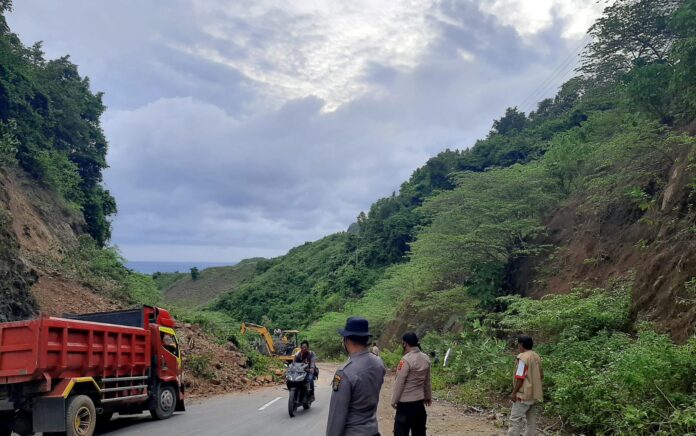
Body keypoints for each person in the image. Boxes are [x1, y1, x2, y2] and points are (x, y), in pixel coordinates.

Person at [327, 317, 386, 436]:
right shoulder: (378, 363)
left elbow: (337, 416)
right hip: (373, 431)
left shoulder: (344, 372)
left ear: (347, 340)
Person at [391, 332, 432, 436]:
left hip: (405, 405)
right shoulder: (425, 358)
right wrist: (428, 396)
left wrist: (394, 401)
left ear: (405, 343)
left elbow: (399, 383)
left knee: (400, 432)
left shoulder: (405, 360)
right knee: (419, 432)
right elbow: (427, 380)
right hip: (419, 404)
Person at [508, 335, 544, 436]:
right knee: (531, 422)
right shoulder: (536, 356)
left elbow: (520, 377)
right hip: (534, 394)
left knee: (515, 419)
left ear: (521, 344)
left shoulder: (523, 357)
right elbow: (541, 375)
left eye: (518, 344)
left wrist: (514, 393)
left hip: (523, 395)